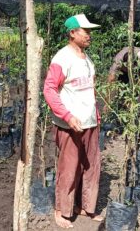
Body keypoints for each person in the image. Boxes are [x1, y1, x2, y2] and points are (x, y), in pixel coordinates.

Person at [43, 14, 103, 229]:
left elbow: (90, 90)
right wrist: (67, 116)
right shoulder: (62, 58)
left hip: (89, 122)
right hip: (69, 125)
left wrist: (95, 115)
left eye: (90, 31)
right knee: (68, 168)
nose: (89, 34)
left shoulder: (86, 59)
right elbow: (49, 90)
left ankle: (86, 206)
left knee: (91, 166)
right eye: (85, 31)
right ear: (72, 33)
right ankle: (61, 211)